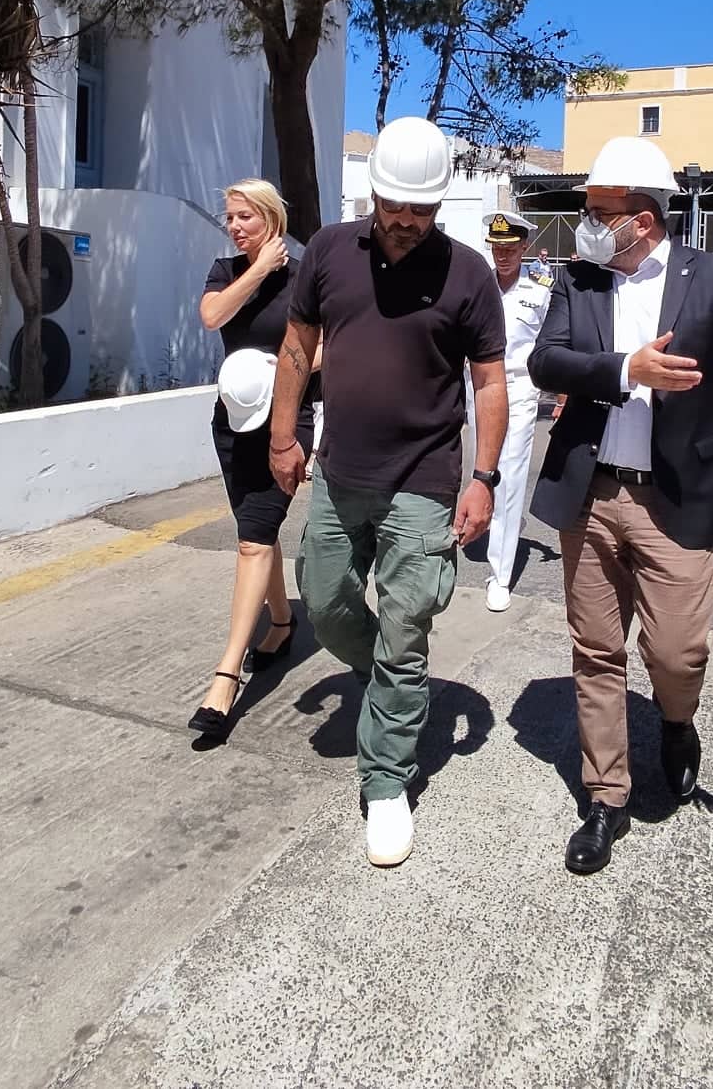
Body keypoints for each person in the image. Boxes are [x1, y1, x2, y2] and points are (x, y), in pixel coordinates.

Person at [527, 136, 713, 875]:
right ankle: (605, 798)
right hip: (593, 493)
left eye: (600, 212)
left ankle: (678, 722)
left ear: (644, 218)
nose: (587, 224)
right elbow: (545, 359)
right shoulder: (579, 280)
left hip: (676, 496)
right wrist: (626, 368)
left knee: (677, 652)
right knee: (597, 650)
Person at [265, 117, 508, 867]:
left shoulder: (469, 274)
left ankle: (387, 782)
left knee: (407, 629)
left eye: (419, 209)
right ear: (373, 193)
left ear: (439, 203)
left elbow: (489, 384)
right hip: (340, 472)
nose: (404, 220)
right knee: (325, 600)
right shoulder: (330, 250)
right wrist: (282, 435)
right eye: (393, 204)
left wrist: (484, 478)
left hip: (425, 482)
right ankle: (389, 682)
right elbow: (298, 346)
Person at [188, 180, 315, 745]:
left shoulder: (306, 276)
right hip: (234, 421)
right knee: (254, 530)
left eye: (245, 217)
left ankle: (225, 677)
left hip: (286, 419)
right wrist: (259, 268)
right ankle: (282, 622)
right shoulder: (228, 271)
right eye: (230, 218)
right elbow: (213, 316)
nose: (235, 227)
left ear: (270, 218)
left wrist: (280, 371)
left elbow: (330, 345)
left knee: (253, 540)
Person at [468, 211, 550, 612]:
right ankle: (477, 524)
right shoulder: (476, 286)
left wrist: (561, 394)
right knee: (479, 467)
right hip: (479, 388)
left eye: (511, 248)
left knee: (510, 476)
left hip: (519, 389)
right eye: (497, 248)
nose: (503, 255)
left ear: (525, 248)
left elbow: (552, 343)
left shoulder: (541, 292)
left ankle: (500, 573)